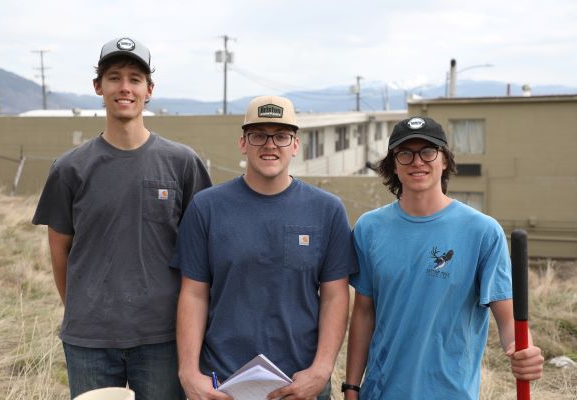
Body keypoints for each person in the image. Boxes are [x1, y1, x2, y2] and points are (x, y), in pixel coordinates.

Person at [32, 37, 212, 400]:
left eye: (135, 78)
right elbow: (59, 252)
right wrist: (87, 309)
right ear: (98, 87)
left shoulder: (182, 163)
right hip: (90, 341)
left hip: (163, 337)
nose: (124, 87)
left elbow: (202, 254)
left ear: (149, 90)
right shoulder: (69, 168)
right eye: (114, 77)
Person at [171, 95, 358, 400]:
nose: (269, 144)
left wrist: (322, 370)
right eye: (258, 135)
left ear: (295, 144)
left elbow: (335, 296)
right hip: (223, 384)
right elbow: (193, 293)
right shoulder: (206, 207)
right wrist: (189, 372)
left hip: (301, 384)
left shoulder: (327, 210)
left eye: (281, 136)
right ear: (243, 143)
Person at [343, 116, 544, 399]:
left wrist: (524, 350)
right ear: (393, 165)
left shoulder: (482, 231)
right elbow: (364, 312)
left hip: (450, 391)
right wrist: (352, 386)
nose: (417, 161)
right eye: (405, 153)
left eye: (428, 151)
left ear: (445, 160)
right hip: (381, 390)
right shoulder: (369, 228)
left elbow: (508, 318)